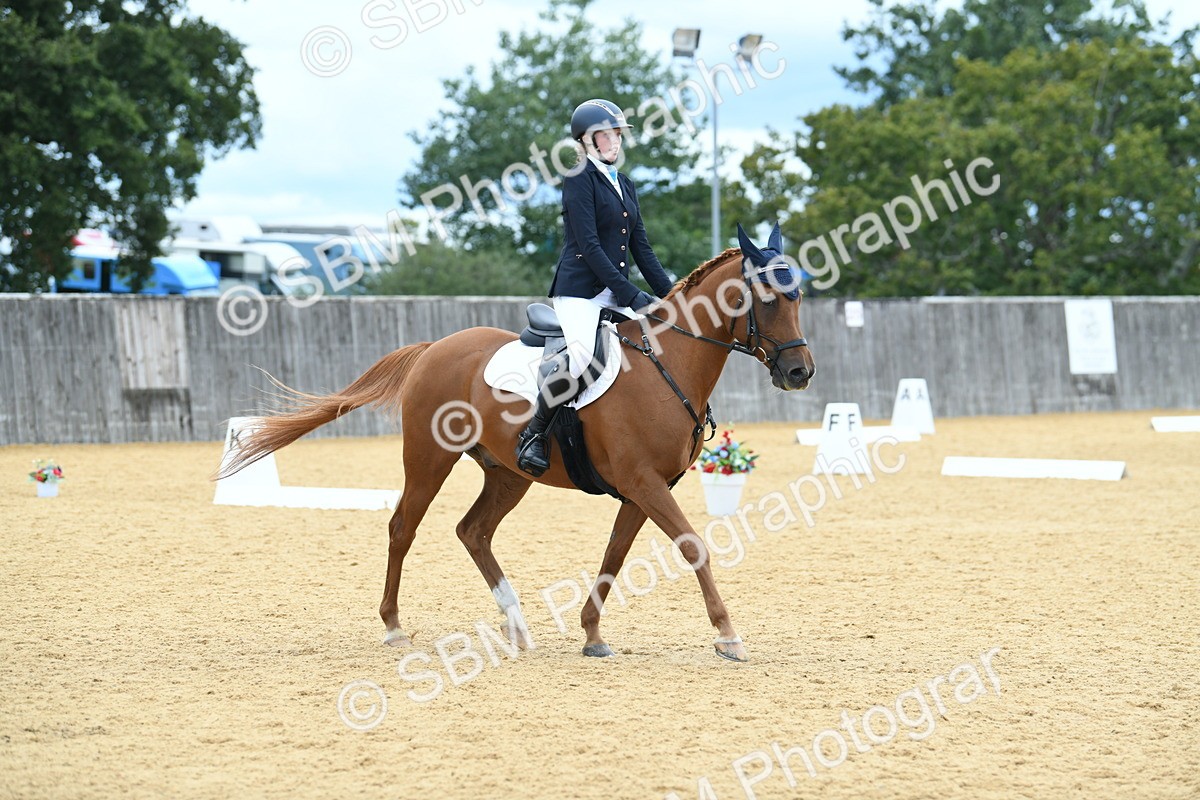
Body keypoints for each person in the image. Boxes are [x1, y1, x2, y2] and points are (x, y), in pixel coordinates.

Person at [515, 97, 675, 477]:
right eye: (605, 135)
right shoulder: (578, 180)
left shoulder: (626, 185)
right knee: (585, 357)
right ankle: (534, 434)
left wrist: (672, 297)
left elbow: (642, 248)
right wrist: (631, 294)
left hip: (614, 290)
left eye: (616, 134)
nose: (613, 141)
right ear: (585, 141)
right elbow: (588, 246)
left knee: (655, 347)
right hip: (579, 292)